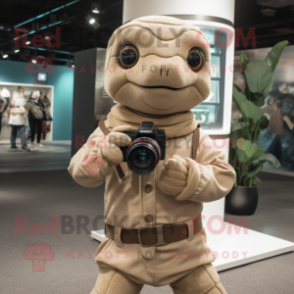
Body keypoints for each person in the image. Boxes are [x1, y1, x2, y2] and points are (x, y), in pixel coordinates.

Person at [68, 16, 235, 294]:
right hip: (123, 254)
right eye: (129, 56)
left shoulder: (194, 134)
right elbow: (79, 172)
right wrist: (103, 155)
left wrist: (192, 179)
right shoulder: (108, 129)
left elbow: (224, 177)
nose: (166, 69)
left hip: (186, 253)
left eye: (193, 60)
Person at [8, 86, 30, 151]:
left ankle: (16, 145)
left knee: (17, 132)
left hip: (17, 117)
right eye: (21, 90)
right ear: (18, 90)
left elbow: (11, 105)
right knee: (18, 132)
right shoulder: (18, 97)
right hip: (17, 116)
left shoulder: (18, 97)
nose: (22, 92)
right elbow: (12, 105)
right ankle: (20, 145)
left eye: (22, 91)